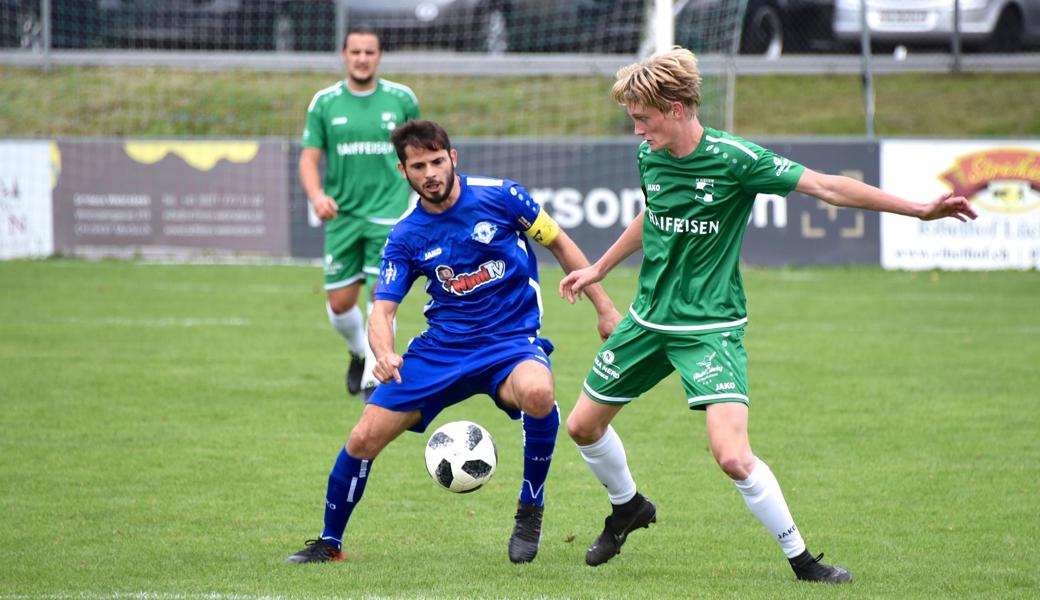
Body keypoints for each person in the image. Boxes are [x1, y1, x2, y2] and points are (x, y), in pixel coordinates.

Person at [558, 48, 977, 583]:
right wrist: (600, 267)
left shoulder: (736, 159)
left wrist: (920, 210)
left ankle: (804, 562)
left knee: (731, 455)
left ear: (679, 107)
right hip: (648, 321)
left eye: (644, 117)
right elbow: (655, 214)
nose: (637, 130)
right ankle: (629, 507)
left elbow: (827, 186)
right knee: (582, 426)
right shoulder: (650, 156)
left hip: (709, 328)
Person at [287, 119, 622, 564]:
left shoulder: (503, 197)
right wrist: (384, 353)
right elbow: (383, 309)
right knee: (364, 436)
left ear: (453, 159)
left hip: (510, 341)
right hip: (441, 350)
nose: (430, 173)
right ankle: (329, 543)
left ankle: (531, 506)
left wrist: (604, 306)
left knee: (539, 392)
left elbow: (559, 242)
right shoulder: (406, 235)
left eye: (437, 161)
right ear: (403, 172)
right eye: (418, 165)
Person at [299, 26, 420, 401]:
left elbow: (418, 152)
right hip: (343, 216)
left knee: (380, 295)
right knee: (339, 304)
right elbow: (309, 158)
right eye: (356, 52)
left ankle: (374, 374)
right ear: (344, 54)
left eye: (369, 52)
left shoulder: (401, 99)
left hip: (390, 211)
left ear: (379, 55)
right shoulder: (325, 102)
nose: (362, 58)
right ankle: (358, 350)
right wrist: (317, 196)